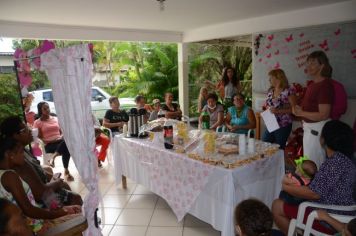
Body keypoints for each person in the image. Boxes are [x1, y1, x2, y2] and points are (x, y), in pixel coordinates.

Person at [272, 120, 356, 235]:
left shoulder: (335, 162)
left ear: (324, 140)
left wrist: (285, 186)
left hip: (330, 217)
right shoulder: (346, 159)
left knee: (277, 206)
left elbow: (314, 193)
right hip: (342, 212)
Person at [0, 137, 81, 235]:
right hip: (37, 227)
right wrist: (60, 213)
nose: (24, 157)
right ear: (10, 155)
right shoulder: (10, 176)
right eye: (21, 152)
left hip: (35, 222)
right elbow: (28, 210)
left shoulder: (5, 174)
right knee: (80, 218)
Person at [0, 116, 83, 207]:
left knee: (65, 186)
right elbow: (40, 194)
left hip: (44, 188)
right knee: (76, 198)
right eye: (26, 129)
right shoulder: (19, 160)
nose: (31, 131)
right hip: (42, 200)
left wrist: (52, 179)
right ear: (15, 135)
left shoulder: (24, 151)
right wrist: (57, 182)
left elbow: (38, 171)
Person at [293, 51, 334, 167]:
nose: (308, 66)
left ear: (322, 66)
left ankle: (314, 185)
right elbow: (311, 108)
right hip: (309, 130)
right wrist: (299, 109)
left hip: (316, 132)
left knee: (313, 166)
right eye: (308, 63)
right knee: (308, 164)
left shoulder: (325, 85)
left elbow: (324, 114)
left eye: (313, 63)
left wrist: (302, 112)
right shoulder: (312, 84)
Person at [33, 102, 74, 181]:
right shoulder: (37, 122)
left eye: (48, 107)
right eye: (44, 109)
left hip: (60, 141)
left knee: (65, 144)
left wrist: (60, 137)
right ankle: (66, 170)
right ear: (40, 110)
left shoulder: (55, 118)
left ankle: (53, 158)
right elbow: (38, 138)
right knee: (66, 146)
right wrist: (52, 140)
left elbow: (62, 132)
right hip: (49, 145)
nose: (47, 110)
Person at [262, 69, 296, 149]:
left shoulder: (289, 91)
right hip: (270, 123)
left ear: (278, 78)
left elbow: (295, 109)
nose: (269, 80)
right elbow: (268, 105)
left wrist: (278, 111)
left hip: (283, 125)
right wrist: (266, 110)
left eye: (271, 77)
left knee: (279, 148)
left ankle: (278, 162)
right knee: (264, 145)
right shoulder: (270, 90)